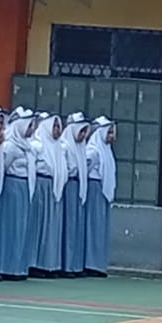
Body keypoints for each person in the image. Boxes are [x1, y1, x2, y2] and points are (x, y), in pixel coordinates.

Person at [0, 112, 35, 279]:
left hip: (24, 187)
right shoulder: (12, 146)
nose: (31, 129)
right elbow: (3, 166)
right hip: (13, 186)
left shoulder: (27, 145)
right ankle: (6, 266)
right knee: (11, 227)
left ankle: (18, 266)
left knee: (21, 228)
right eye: (28, 125)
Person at [28, 114, 68, 278]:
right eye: (54, 126)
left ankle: (49, 264)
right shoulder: (37, 145)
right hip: (40, 186)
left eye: (59, 127)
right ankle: (34, 263)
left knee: (51, 227)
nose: (57, 131)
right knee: (38, 225)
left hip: (55, 187)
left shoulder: (60, 147)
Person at [84, 116, 116, 275]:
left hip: (102, 190)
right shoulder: (93, 151)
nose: (112, 137)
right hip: (94, 188)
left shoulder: (106, 151)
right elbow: (85, 170)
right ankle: (89, 263)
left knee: (99, 227)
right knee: (92, 226)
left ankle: (97, 263)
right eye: (109, 133)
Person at [59, 112, 90, 278]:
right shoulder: (65, 146)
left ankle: (75, 265)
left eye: (85, 132)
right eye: (81, 131)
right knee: (68, 225)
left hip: (78, 186)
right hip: (69, 185)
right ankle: (66, 265)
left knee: (76, 226)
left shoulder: (81, 148)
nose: (83, 135)